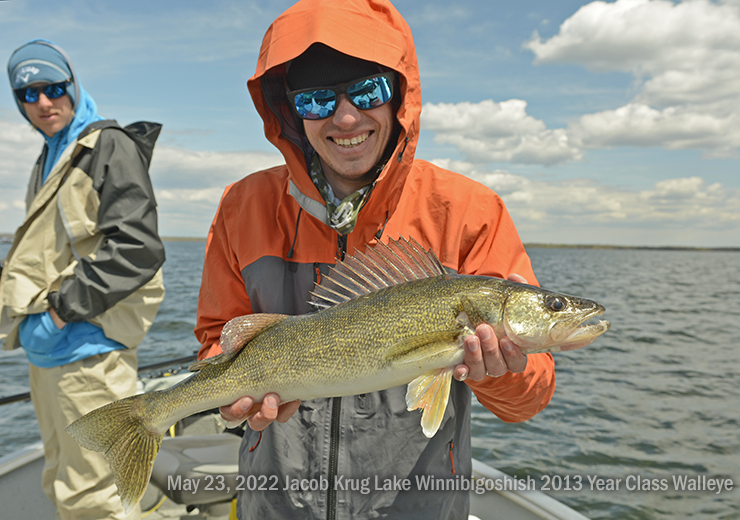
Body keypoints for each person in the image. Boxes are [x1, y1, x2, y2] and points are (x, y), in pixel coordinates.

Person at [194, 1, 556, 518]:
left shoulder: (470, 211)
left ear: (398, 96)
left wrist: (499, 371)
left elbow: (530, 399)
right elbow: (218, 340)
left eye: (367, 91)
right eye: (317, 100)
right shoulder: (241, 206)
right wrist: (233, 396)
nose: (345, 117)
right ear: (289, 110)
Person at [0, 40, 166, 520]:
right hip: (50, 358)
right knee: (62, 482)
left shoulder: (106, 144)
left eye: (53, 88)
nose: (43, 103)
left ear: (72, 87)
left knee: (97, 497)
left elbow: (138, 248)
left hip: (87, 354)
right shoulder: (53, 153)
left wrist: (58, 313)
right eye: (28, 94)